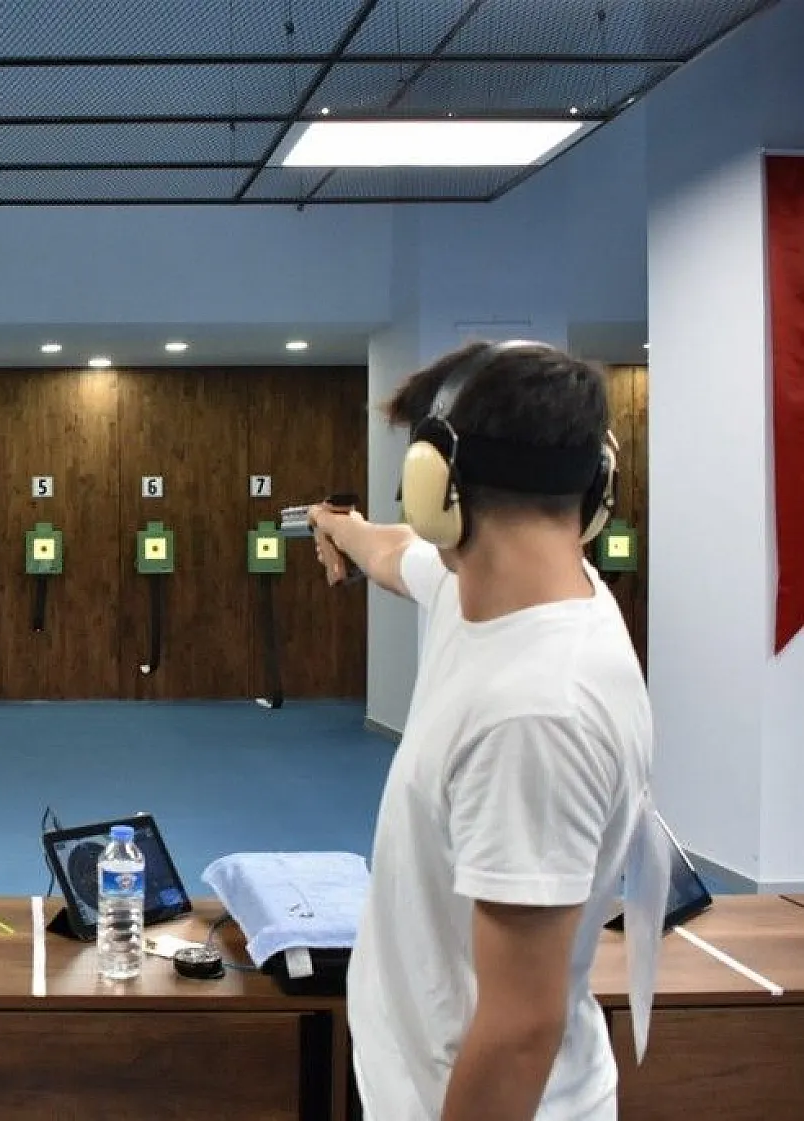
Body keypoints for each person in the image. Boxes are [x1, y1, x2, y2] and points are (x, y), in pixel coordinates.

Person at [307, 340, 657, 1121]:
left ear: (437, 485)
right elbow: (401, 556)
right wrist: (345, 528)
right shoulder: (505, 587)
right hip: (422, 1077)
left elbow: (519, 1030)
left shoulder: (537, 712)